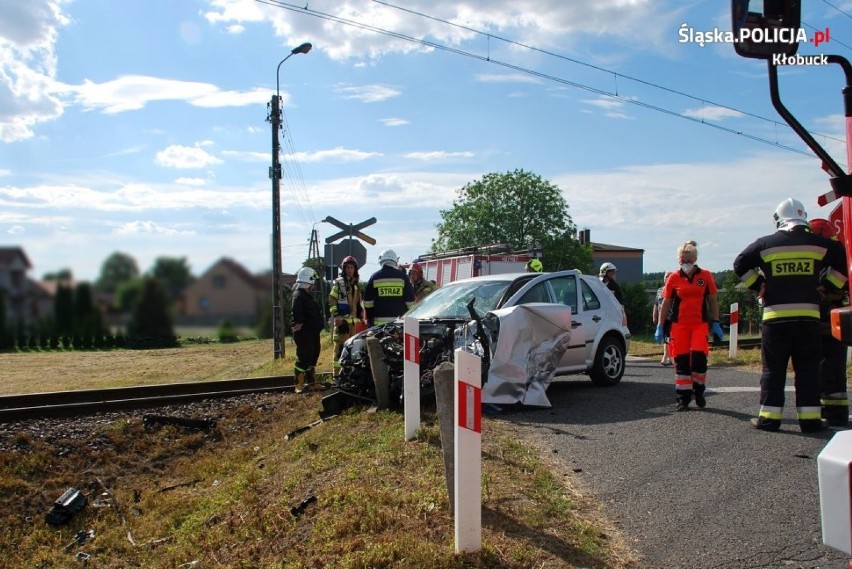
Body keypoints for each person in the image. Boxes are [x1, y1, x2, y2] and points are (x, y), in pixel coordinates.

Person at [733, 199, 847, 432]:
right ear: (803, 216)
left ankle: (769, 419)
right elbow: (844, 265)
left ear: (778, 219)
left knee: (773, 370)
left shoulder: (766, 244)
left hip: (775, 320)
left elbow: (739, 264)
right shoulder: (821, 244)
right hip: (809, 319)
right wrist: (826, 287)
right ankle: (810, 421)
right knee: (808, 370)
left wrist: (759, 284)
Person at [656, 241, 723, 412]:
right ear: (678, 260)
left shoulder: (705, 276)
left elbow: (712, 300)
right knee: (681, 362)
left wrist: (716, 322)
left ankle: (699, 391)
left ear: (695, 259)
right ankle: (683, 398)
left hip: (699, 325)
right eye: (682, 260)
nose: (685, 263)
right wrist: (660, 325)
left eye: (688, 260)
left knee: (700, 360)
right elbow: (666, 302)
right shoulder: (674, 278)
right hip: (679, 326)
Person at [809, 217, 849, 426]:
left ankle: (832, 413)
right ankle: (835, 413)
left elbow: (837, 282)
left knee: (825, 369)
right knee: (833, 371)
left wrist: (823, 288)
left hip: (824, 320)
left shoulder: (826, 259)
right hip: (833, 321)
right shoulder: (840, 254)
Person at [328, 255, 364, 377]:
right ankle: (336, 376)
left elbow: (358, 304)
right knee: (339, 351)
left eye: (352, 267)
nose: (349, 270)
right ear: (344, 269)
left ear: (355, 269)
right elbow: (332, 300)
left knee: (352, 351)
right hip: (342, 323)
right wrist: (337, 316)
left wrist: (361, 316)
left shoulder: (356, 285)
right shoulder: (339, 283)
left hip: (353, 325)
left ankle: (348, 376)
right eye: (347, 267)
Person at [291, 267, 324, 393]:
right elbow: (297, 311)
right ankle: (299, 385)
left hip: (312, 332)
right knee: (304, 358)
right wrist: (298, 323)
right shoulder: (298, 295)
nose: (314, 285)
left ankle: (312, 383)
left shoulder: (306, 295)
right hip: (305, 334)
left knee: (312, 357)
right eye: (313, 282)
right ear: (308, 281)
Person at [362, 249, 416, 327]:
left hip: (379, 325)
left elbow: (367, 302)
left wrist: (371, 317)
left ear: (381, 261)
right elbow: (411, 302)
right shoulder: (403, 277)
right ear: (395, 261)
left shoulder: (374, 277)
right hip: (399, 324)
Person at [652, 272, 674, 366]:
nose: (667, 279)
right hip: (662, 318)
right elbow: (656, 304)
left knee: (669, 337)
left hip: (672, 317)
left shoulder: (675, 290)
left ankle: (667, 356)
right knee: (666, 337)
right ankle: (667, 356)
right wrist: (654, 315)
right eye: (666, 277)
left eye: (669, 277)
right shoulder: (660, 290)